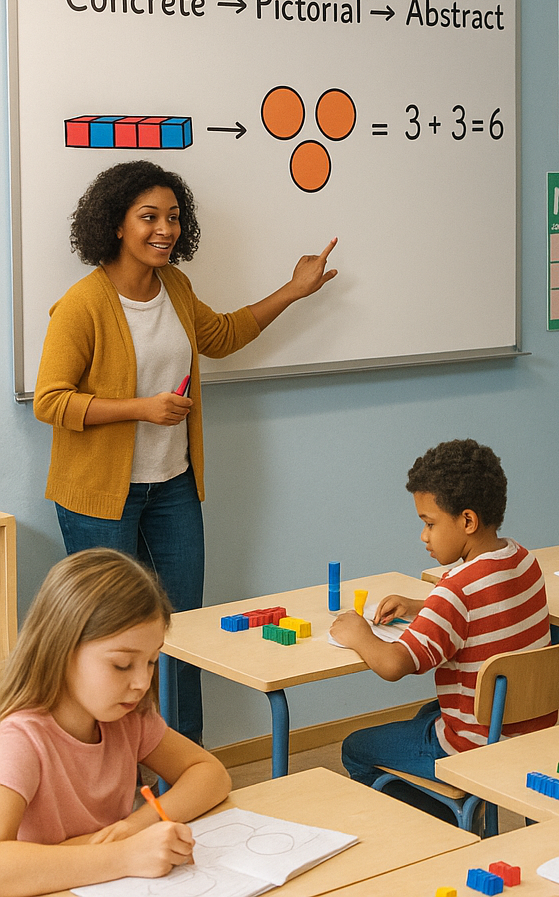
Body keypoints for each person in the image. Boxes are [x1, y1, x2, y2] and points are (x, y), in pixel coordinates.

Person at [33, 160, 338, 745]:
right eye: (148, 217)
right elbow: (52, 401)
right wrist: (139, 408)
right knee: (110, 639)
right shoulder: (82, 304)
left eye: (173, 218)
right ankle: (110, 774)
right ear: (116, 224)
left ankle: (186, 760)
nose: (164, 230)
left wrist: (295, 291)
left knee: (183, 631)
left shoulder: (175, 286)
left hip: (172, 484)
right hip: (99, 496)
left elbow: (220, 336)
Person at [331, 438, 553, 820]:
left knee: (356, 747)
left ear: (467, 521)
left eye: (429, 524)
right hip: (530, 730)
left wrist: (359, 634)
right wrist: (423, 606)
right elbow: (484, 608)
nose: (424, 536)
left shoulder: (455, 591)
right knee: (424, 715)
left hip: (475, 744)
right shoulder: (523, 559)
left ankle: (447, 822)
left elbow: (394, 664)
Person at [0, 548, 231, 897]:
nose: (141, 683)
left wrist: (139, 823)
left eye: (151, 661)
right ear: (61, 650)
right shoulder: (19, 740)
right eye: (122, 664)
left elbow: (211, 774)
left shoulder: (126, 718)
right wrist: (124, 856)